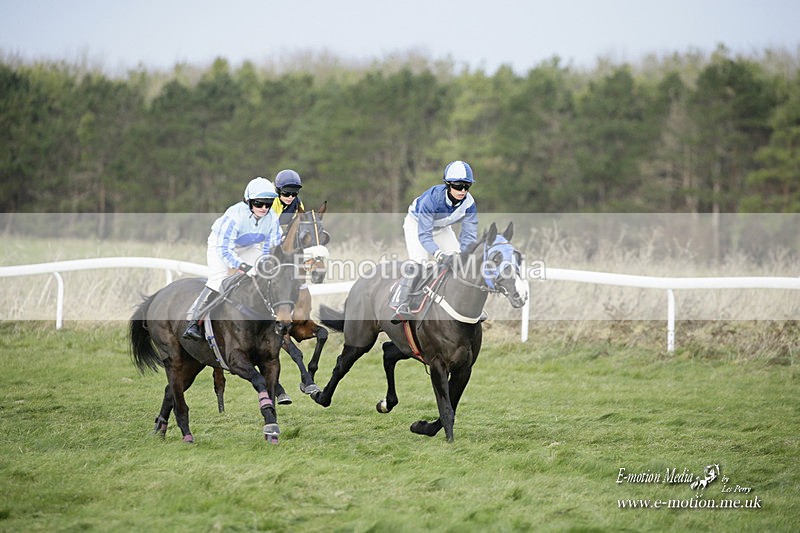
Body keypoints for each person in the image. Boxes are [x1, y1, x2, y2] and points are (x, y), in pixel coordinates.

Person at [182, 177, 282, 341]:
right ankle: (193, 321)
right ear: (248, 201)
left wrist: (263, 263)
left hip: (249, 246)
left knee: (265, 274)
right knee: (218, 280)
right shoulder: (234, 215)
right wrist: (243, 266)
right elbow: (224, 249)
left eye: (268, 204)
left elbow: (269, 246)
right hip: (221, 246)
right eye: (259, 203)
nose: (264, 208)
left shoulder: (272, 218)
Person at [391, 160, 478, 321]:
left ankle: (460, 306)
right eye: (458, 186)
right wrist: (438, 254)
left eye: (467, 186)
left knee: (461, 264)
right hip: (417, 225)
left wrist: (464, 254)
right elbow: (424, 235)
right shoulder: (431, 199)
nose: (463, 190)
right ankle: (401, 303)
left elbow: (469, 236)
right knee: (419, 263)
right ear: (448, 184)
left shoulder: (470, 203)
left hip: (442, 229)